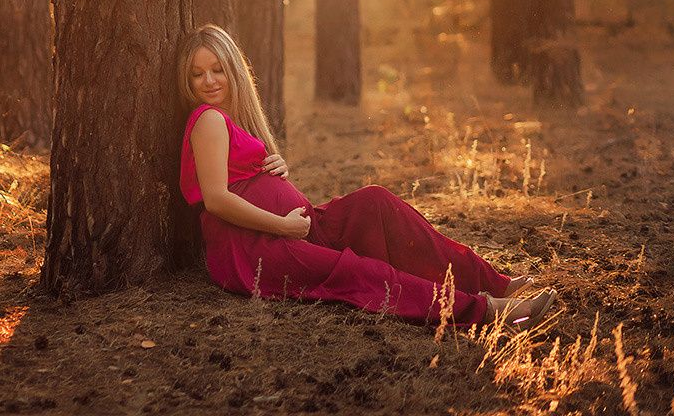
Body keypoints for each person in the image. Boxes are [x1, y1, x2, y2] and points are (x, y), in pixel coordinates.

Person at [178, 24, 557, 329]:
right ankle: (490, 310)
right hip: (255, 249)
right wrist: (281, 224)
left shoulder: (229, 121)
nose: (209, 81)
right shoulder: (208, 119)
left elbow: (238, 178)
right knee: (361, 272)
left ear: (233, 71)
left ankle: (493, 281)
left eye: (217, 70)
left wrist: (273, 171)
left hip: (294, 228)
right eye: (198, 74)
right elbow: (216, 199)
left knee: (375, 202)